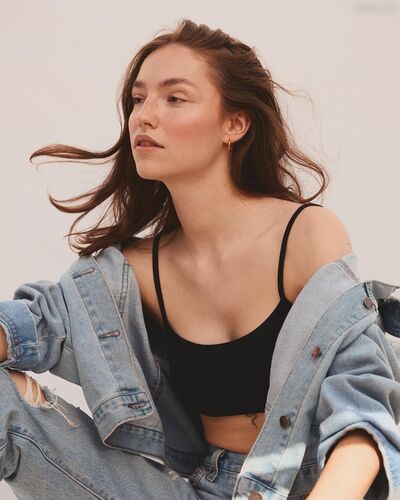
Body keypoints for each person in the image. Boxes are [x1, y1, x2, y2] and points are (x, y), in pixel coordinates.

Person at [1, 18, 399, 500]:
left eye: (174, 98)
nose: (144, 116)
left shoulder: (304, 234)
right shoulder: (133, 271)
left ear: (235, 124)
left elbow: (363, 403)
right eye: (138, 99)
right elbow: (32, 327)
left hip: (308, 485)